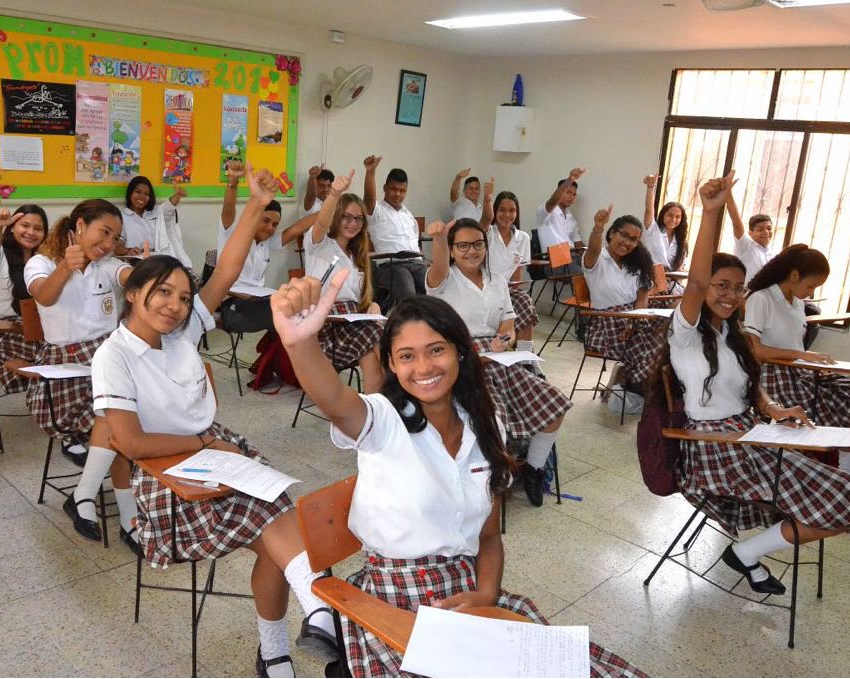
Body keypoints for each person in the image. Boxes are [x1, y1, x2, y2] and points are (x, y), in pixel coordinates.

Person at [271, 276, 645, 678]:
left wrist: (486, 593)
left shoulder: (485, 425)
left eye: (436, 350)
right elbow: (335, 401)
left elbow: (488, 537)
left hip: (467, 586)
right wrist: (299, 343)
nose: (425, 367)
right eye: (407, 356)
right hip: (394, 596)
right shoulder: (382, 421)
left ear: (460, 353)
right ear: (392, 366)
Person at [91, 168, 337, 678]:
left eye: (183, 297)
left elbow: (225, 271)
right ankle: (302, 625)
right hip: (167, 481)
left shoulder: (182, 334)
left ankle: (298, 634)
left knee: (279, 522)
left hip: (213, 450)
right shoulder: (113, 355)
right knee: (276, 524)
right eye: (162, 292)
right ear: (134, 293)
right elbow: (132, 443)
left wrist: (256, 203)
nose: (176, 306)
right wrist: (204, 442)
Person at [655, 170, 850, 604]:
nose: (730, 294)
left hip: (749, 436)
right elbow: (694, 283)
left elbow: (752, 392)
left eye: (737, 287)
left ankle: (747, 552)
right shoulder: (686, 332)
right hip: (716, 448)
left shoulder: (732, 336)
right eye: (721, 286)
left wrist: (774, 409)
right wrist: (712, 213)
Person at [427, 218, 572, 507]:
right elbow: (439, 265)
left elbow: (508, 321)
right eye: (463, 245)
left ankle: (533, 469)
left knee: (555, 403)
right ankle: (490, 476)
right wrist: (440, 239)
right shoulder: (443, 279)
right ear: (453, 250)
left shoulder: (496, 280)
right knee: (494, 415)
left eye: (478, 244)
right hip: (462, 358)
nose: (472, 251)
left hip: (498, 356)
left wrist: (506, 338)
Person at [743, 244, 850, 505]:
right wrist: (805, 355)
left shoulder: (795, 301)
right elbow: (756, 351)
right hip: (773, 375)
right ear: (794, 275)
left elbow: (793, 345)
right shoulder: (761, 298)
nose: (811, 292)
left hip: (799, 370)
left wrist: (809, 360)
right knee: (838, 405)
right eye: (811, 285)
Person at [24, 199, 134, 482]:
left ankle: (101, 480)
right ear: (81, 226)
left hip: (106, 353)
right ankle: (107, 469)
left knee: (131, 399)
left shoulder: (106, 264)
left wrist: (144, 276)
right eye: (105, 232)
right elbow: (44, 296)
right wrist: (65, 267)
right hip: (66, 362)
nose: (109, 243)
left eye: (115, 237)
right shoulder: (41, 262)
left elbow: (126, 276)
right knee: (119, 408)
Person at [303, 170, 384, 391]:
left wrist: (373, 307)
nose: (353, 223)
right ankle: (398, 401)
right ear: (336, 216)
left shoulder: (358, 256)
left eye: (358, 218)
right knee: (378, 337)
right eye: (347, 216)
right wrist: (335, 193)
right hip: (326, 325)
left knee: (370, 356)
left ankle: (378, 411)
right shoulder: (318, 245)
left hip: (354, 324)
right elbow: (320, 223)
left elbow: (363, 300)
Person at [582, 208, 665, 393]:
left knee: (669, 333)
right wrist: (598, 228)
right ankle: (637, 386)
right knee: (649, 343)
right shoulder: (597, 259)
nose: (627, 243)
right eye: (624, 235)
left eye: (634, 239)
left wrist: (635, 320)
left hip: (634, 317)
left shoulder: (635, 262)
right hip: (607, 322)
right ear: (612, 233)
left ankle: (634, 382)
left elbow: (642, 297)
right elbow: (593, 248)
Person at [0, 205, 48, 393]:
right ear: (13, 226)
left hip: (30, 328)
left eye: (38, 229)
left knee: (62, 346)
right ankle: (16, 365)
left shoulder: (43, 260)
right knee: (48, 354)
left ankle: (12, 363)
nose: (31, 232)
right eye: (25, 225)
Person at [217, 160, 283, 333]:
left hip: (257, 302)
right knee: (285, 317)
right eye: (265, 221)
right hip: (233, 305)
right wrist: (233, 182)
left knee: (289, 313)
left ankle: (271, 358)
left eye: (275, 224)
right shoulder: (234, 234)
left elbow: (298, 228)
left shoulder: (266, 242)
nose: (270, 228)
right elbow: (228, 211)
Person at [478, 179, 538, 356]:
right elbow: (485, 220)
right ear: (495, 211)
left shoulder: (523, 238)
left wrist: (510, 292)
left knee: (524, 302)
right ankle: (513, 353)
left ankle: (527, 358)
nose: (507, 215)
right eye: (502, 210)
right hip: (485, 289)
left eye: (512, 210)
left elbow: (517, 274)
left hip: (507, 291)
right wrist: (487, 198)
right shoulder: (488, 233)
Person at [362, 155, 426, 302]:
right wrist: (370, 172)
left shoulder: (408, 216)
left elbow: (415, 243)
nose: (397, 194)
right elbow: (368, 198)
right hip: (390, 266)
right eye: (393, 189)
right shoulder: (376, 211)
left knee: (435, 285)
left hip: (417, 263)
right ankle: (409, 324)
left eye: (402, 190)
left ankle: (430, 323)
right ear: (385, 188)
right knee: (406, 285)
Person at [116, 176, 192, 269]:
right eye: (138, 192)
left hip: (158, 261)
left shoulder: (155, 214)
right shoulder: (122, 217)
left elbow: (167, 209)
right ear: (130, 193)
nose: (142, 196)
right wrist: (127, 251)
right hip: (136, 264)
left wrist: (177, 196)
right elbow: (117, 245)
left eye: (146, 194)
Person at [535, 167, 585, 276]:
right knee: (583, 276)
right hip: (554, 260)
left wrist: (594, 257)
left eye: (574, 194)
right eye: (568, 192)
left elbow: (579, 244)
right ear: (560, 191)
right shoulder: (545, 212)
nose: (571, 197)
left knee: (598, 271)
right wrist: (570, 179)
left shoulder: (571, 218)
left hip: (573, 257)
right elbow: (552, 201)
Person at [641, 173, 686, 292]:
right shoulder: (653, 229)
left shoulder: (681, 242)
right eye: (670, 215)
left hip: (672, 285)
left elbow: (680, 271)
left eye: (678, 217)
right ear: (663, 215)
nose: (673, 219)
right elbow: (649, 209)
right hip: (651, 281)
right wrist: (651, 187)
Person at [727, 190, 774, 285]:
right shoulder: (746, 247)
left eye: (769, 228)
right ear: (750, 233)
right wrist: (728, 195)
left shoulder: (771, 254)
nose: (766, 232)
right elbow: (736, 224)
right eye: (760, 229)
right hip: (746, 297)